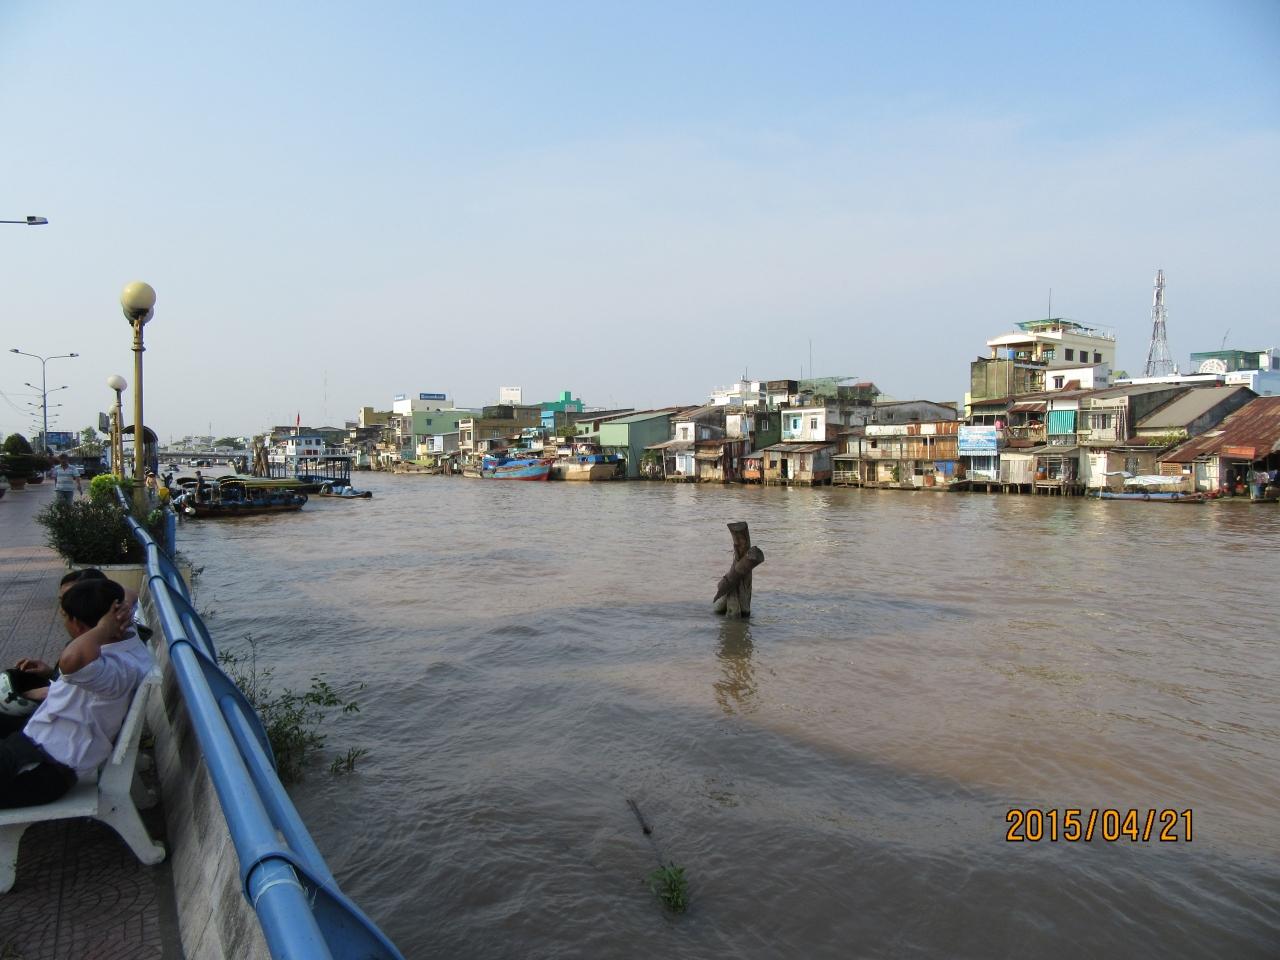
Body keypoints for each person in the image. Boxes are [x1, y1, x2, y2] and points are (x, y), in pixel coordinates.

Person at [0, 578, 154, 808]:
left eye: (65, 617)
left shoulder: (113, 669)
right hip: (31, 749)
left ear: (79, 625)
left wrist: (102, 629)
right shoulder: (125, 639)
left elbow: (71, 659)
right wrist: (110, 621)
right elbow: (128, 592)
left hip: (40, 770)